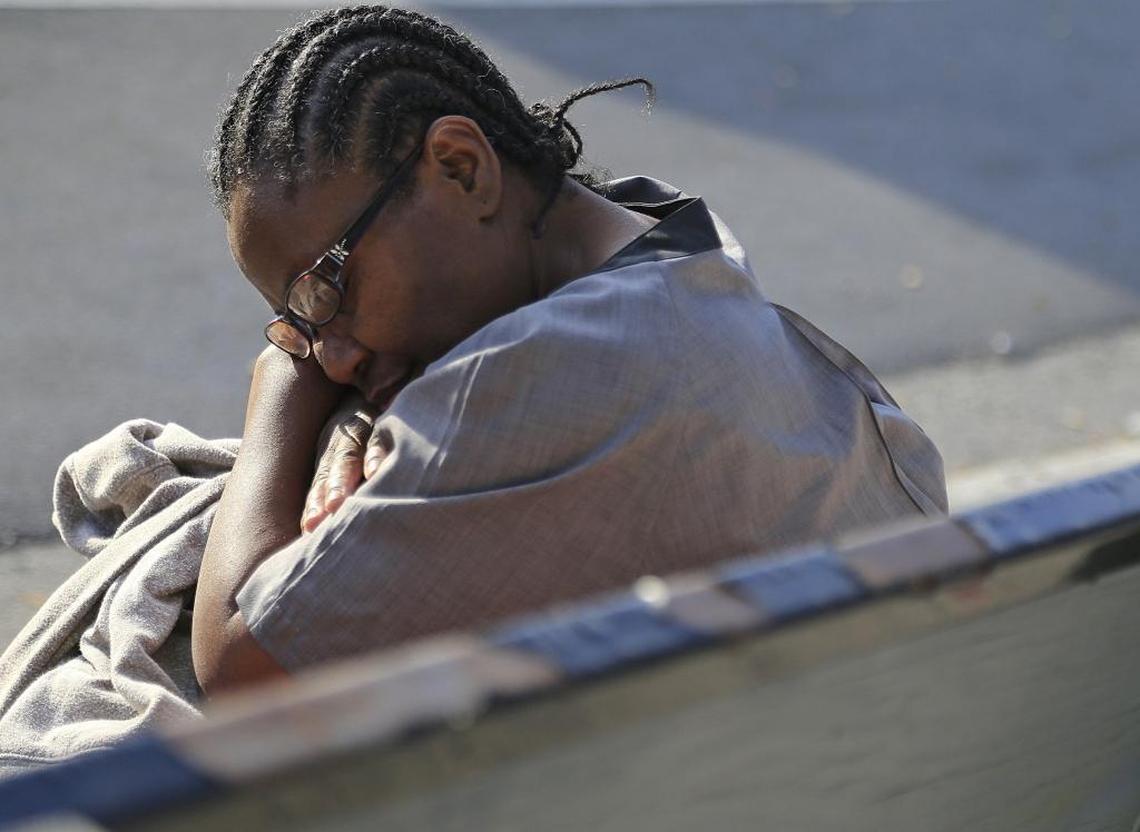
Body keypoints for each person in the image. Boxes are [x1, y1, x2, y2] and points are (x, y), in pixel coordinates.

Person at [192, 5, 947, 696]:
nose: (332, 356)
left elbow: (239, 657)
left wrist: (281, 379)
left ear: (462, 167)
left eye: (328, 288)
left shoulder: (537, 383)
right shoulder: (678, 246)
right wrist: (360, 395)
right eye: (298, 323)